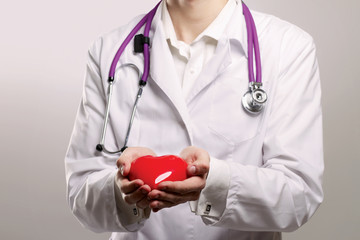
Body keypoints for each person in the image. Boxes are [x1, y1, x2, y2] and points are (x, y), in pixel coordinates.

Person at [65, 0, 324, 239]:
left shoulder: (287, 47)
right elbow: (81, 196)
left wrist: (215, 184)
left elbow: (298, 197)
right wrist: (122, 191)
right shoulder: (109, 51)